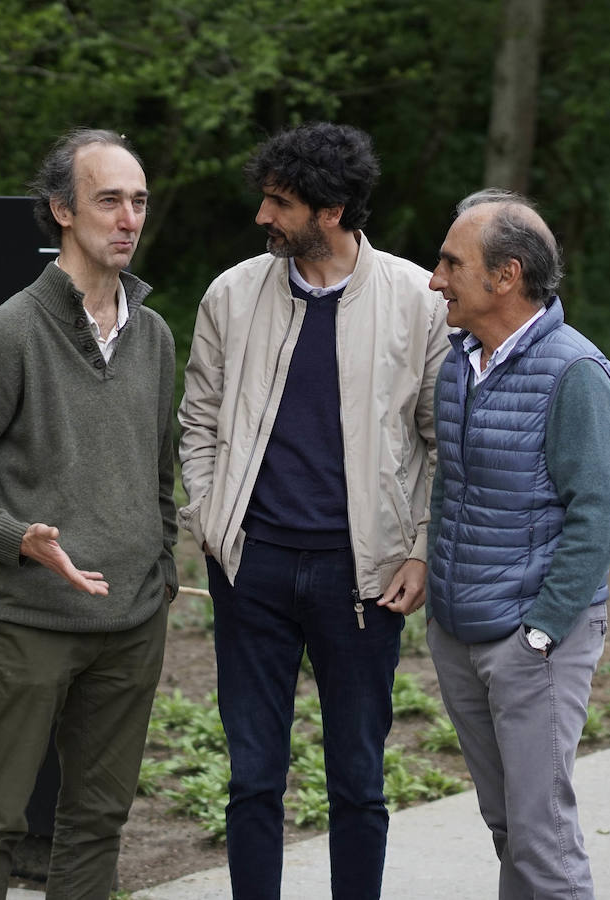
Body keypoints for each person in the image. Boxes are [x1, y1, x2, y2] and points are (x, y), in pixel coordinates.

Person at [0, 128, 178, 900]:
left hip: (130, 627)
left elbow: (160, 472)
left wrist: (160, 569)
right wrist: (15, 538)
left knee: (99, 822)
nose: (129, 218)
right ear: (61, 209)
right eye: (109, 200)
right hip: (27, 624)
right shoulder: (15, 330)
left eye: (139, 202)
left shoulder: (153, 335)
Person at [177, 121, 450, 899]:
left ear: (330, 211)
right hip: (251, 569)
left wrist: (421, 546)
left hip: (361, 580)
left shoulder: (415, 301)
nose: (264, 216)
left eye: (280, 202)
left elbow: (439, 441)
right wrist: (209, 516)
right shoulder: (232, 294)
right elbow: (197, 420)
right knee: (253, 778)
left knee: (360, 781)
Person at [426, 188, 610, 900]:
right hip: (461, 630)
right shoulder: (461, 363)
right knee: (509, 826)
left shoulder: (575, 373)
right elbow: (453, 486)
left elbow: (600, 518)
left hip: (534, 641)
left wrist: (540, 632)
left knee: (542, 841)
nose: (435, 278)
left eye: (451, 263)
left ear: (505, 276)